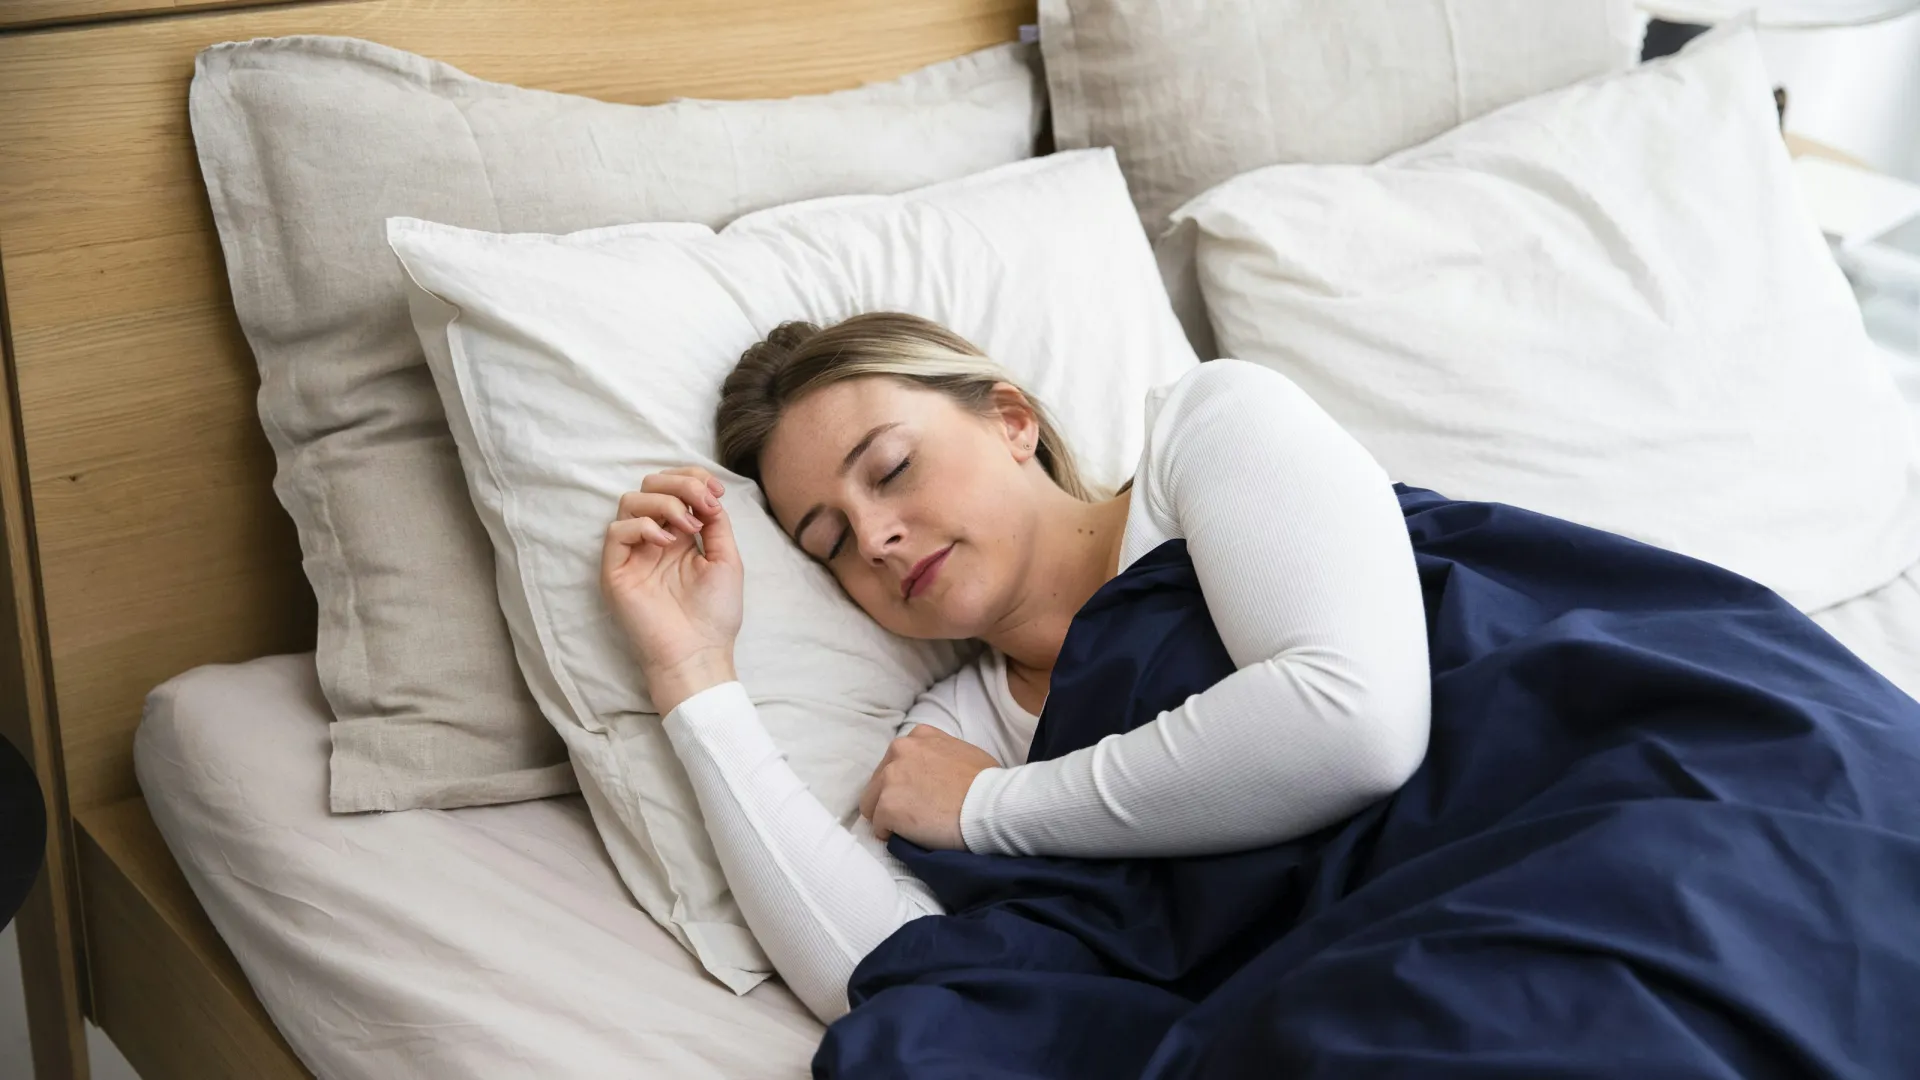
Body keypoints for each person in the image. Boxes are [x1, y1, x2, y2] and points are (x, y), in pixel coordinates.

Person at [599, 313, 1432, 1023]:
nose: (877, 538)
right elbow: (876, 972)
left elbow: (1358, 724)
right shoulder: (951, 734)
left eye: (891, 470)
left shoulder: (1210, 430)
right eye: (833, 542)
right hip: (1348, 983)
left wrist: (989, 806)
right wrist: (693, 672)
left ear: (1011, 420)